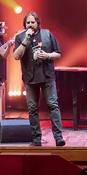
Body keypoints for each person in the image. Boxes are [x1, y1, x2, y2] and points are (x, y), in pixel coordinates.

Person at [13, 11, 65, 147]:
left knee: (53, 105)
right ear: (25, 24)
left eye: (33, 22)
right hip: (30, 78)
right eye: (28, 23)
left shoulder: (47, 34)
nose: (30, 25)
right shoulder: (20, 37)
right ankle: (36, 138)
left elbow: (58, 54)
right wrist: (25, 40)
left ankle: (58, 137)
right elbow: (16, 56)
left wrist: (47, 55)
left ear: (38, 23)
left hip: (47, 76)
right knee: (32, 108)